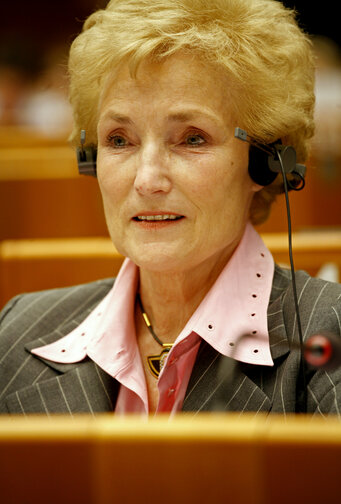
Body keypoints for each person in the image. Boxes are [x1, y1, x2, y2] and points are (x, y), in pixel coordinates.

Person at [0, 0, 340, 416]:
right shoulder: (17, 331)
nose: (147, 180)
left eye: (191, 138)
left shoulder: (329, 335)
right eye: (119, 140)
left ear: (266, 160)